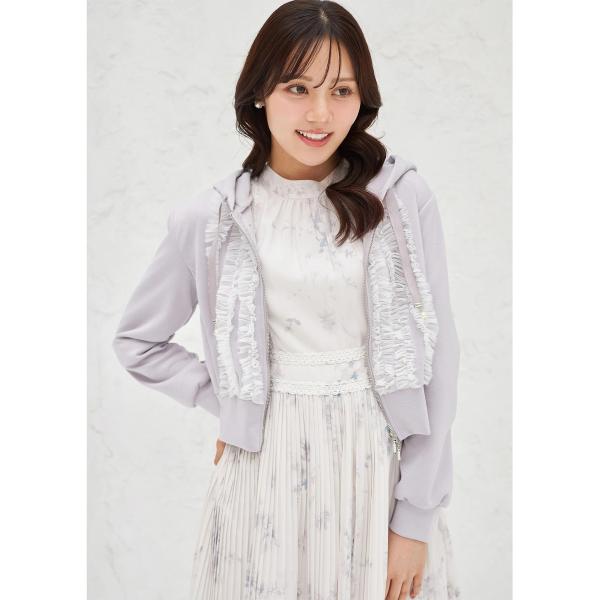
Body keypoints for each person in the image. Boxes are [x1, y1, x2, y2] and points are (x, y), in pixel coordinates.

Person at [112, 2, 461, 599]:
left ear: (362, 98)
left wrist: (416, 517)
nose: (320, 113)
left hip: (376, 473)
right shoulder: (212, 218)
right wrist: (229, 402)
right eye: (298, 87)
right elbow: (138, 342)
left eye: (341, 90)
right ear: (259, 94)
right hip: (261, 476)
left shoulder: (400, 200)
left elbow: (440, 362)